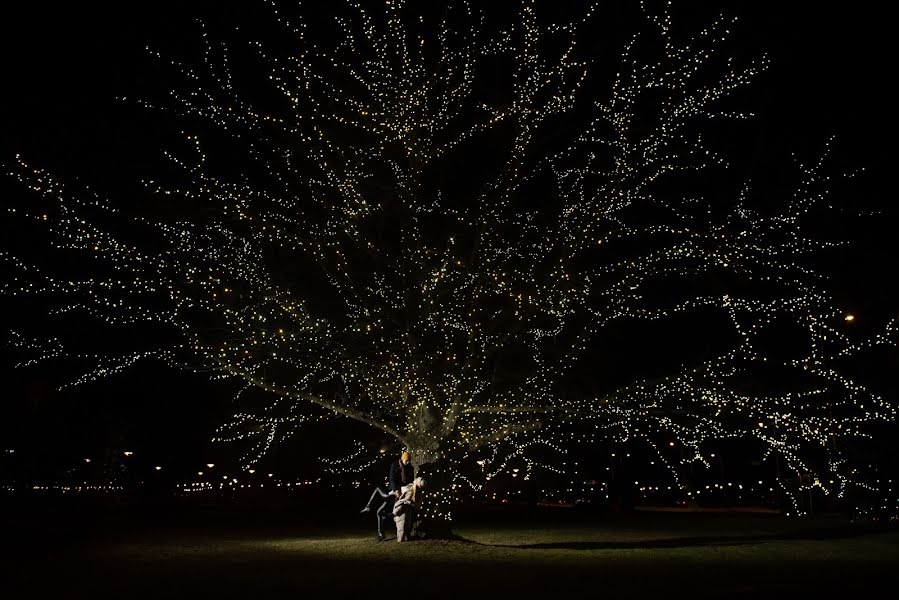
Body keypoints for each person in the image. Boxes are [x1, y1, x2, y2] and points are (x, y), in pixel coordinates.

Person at [360, 450, 415, 541]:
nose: (408, 462)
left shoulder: (409, 467)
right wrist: (396, 489)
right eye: (406, 460)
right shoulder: (394, 465)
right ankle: (381, 534)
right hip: (393, 491)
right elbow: (392, 479)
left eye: (409, 461)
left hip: (400, 494)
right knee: (379, 511)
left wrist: (402, 490)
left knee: (388, 512)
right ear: (402, 459)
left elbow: (409, 481)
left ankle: (371, 508)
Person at [392, 476, 425, 542]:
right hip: (403, 510)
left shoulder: (416, 491)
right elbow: (404, 501)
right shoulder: (410, 490)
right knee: (402, 525)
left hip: (407, 509)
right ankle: (401, 539)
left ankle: (405, 537)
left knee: (406, 525)